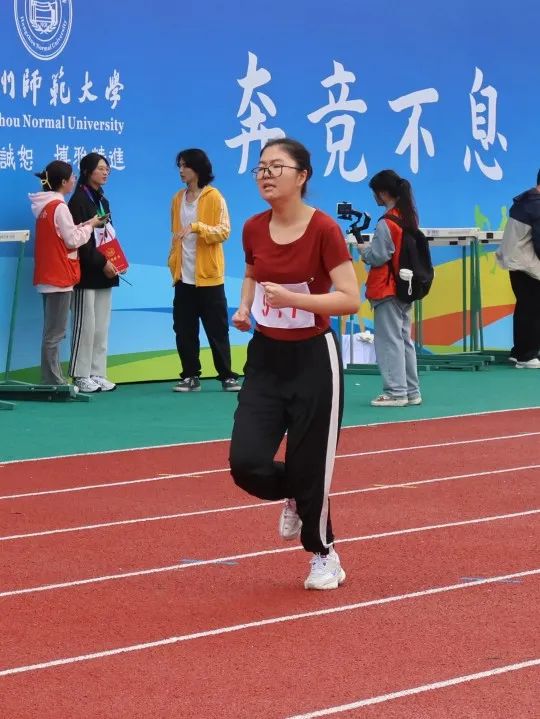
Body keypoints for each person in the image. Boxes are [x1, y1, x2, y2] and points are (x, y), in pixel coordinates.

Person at [229, 138, 360, 590]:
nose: (265, 175)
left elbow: (350, 298)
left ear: (302, 176)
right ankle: (295, 492)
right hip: (266, 357)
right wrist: (244, 307)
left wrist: (294, 299)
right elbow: (252, 273)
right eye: (260, 168)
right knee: (246, 463)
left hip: (314, 360)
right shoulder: (252, 227)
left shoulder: (323, 229)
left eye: (276, 167)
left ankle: (324, 554)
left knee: (313, 465)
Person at [168, 148, 240, 392]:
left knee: (217, 329)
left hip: (209, 277)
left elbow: (224, 231)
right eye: (179, 165)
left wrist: (198, 227)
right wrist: (173, 262)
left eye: (185, 165)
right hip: (183, 277)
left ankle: (227, 376)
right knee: (184, 330)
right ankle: (190, 376)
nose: (181, 170)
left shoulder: (214, 196)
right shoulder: (177, 198)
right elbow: (175, 234)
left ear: (197, 168)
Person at [29, 161, 102, 387]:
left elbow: (64, 235)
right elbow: (72, 240)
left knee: (52, 332)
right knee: (55, 333)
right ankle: (53, 380)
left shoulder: (45, 205)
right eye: (72, 177)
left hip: (49, 275)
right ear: (63, 182)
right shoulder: (59, 207)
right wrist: (90, 227)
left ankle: (52, 378)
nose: (74, 180)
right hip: (59, 277)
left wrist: (86, 224)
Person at [359, 169, 422, 407]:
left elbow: (378, 256)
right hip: (405, 287)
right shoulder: (407, 218)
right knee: (404, 340)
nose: (375, 197)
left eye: (375, 192)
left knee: (389, 341)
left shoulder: (387, 222)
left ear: (383, 193)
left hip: (387, 288)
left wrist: (364, 252)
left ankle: (396, 392)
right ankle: (411, 391)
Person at [68, 153, 119, 393]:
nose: (105, 172)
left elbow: (108, 236)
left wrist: (116, 261)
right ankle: (80, 375)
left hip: (105, 272)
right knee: (85, 326)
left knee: (101, 326)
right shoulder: (78, 200)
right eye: (100, 168)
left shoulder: (103, 201)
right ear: (87, 171)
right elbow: (80, 240)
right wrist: (101, 262)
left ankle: (98, 372)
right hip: (86, 273)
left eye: (107, 169)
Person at [496, 170, 540, 368]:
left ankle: (519, 351)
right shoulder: (537, 206)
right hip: (528, 265)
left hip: (516, 263)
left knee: (524, 308)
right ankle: (527, 356)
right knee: (532, 310)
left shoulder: (524, 201)